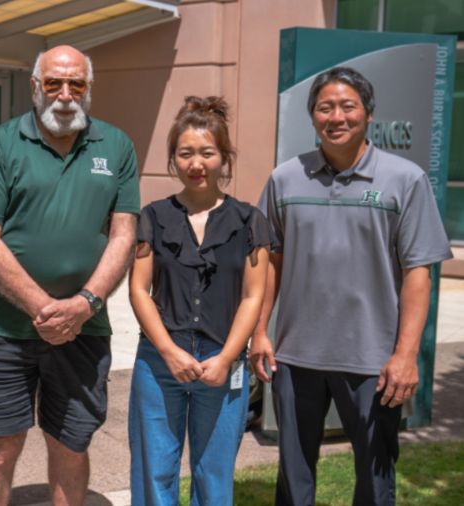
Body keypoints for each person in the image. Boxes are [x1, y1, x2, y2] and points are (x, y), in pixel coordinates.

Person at [252, 66, 452, 505]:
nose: (336, 117)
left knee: (376, 479)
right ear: (312, 116)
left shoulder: (405, 180)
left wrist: (406, 355)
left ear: (368, 113)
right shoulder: (285, 179)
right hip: (294, 356)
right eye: (325, 108)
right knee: (294, 477)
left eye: (347, 106)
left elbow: (418, 273)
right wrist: (260, 331)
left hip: (373, 361)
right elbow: (270, 262)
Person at [0, 44, 140, 505]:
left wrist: (84, 305)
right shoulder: (0, 144)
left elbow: (123, 236)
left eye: (76, 83)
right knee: (0, 447)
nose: (65, 94)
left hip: (84, 330)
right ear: (35, 87)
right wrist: (46, 309)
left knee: (70, 444)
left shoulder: (116, 146)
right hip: (1, 329)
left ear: (89, 88)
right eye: (54, 83)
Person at [127, 96, 269, 505]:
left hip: (222, 360)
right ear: (173, 159)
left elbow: (253, 295)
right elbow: (138, 289)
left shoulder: (249, 221)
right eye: (185, 153)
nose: (196, 163)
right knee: (154, 471)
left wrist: (227, 358)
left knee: (214, 473)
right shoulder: (153, 217)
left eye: (207, 153)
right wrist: (168, 351)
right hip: (159, 362)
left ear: (224, 157)